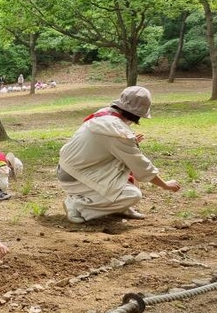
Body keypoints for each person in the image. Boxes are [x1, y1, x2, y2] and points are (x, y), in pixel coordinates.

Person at [58, 86, 180, 224]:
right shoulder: (116, 131)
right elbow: (140, 166)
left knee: (126, 161)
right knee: (132, 195)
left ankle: (120, 207)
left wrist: (130, 142)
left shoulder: (105, 115)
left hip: (72, 168)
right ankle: (78, 205)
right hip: (75, 176)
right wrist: (165, 185)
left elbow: (105, 145)